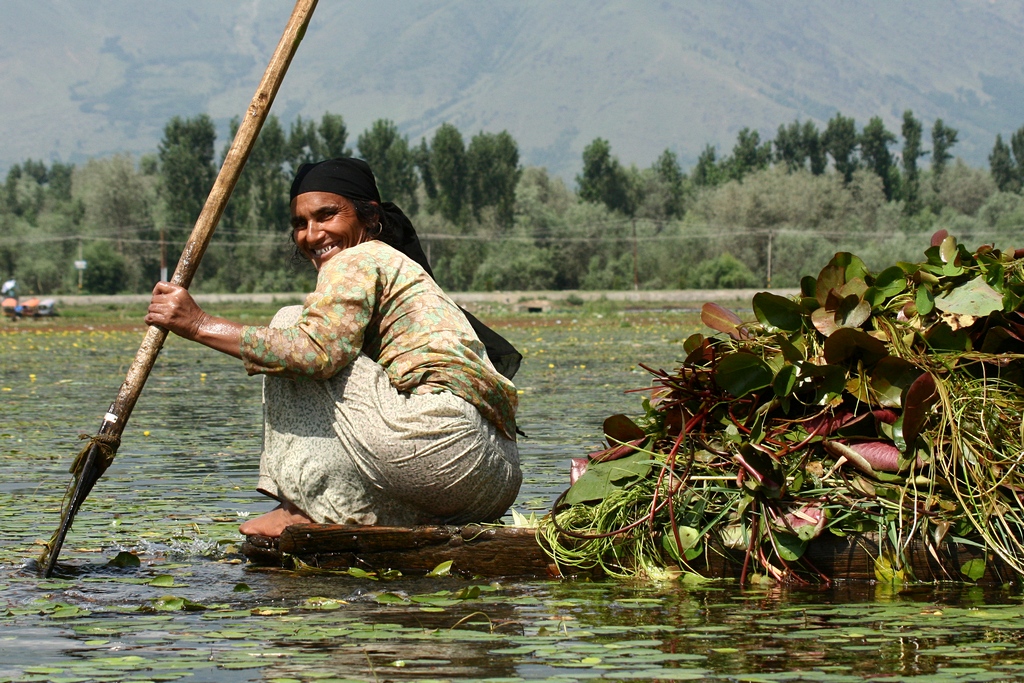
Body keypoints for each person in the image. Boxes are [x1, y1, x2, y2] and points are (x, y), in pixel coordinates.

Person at [146, 158, 522, 537]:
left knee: (292, 323)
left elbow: (316, 351)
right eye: (300, 223)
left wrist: (197, 324)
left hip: (442, 446)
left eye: (326, 215)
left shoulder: (358, 257)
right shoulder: (398, 266)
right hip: (495, 480)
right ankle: (350, 509)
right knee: (326, 346)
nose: (312, 234)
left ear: (368, 217)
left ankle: (297, 506)